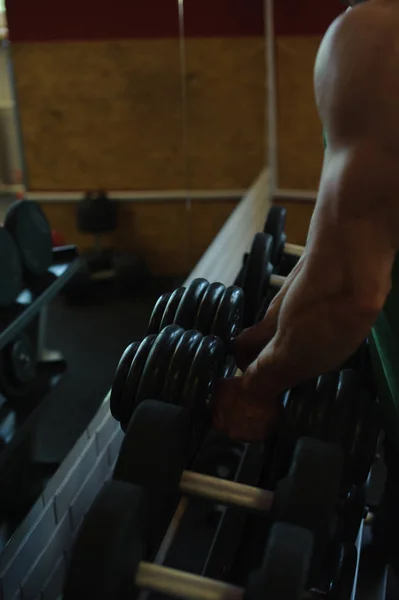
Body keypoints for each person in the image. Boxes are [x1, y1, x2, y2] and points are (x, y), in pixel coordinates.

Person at [212, 0, 399, 575]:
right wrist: (269, 330)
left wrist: (257, 388)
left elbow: (349, 290)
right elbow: (346, 238)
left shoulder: (378, 38)